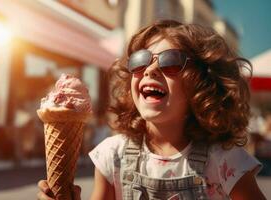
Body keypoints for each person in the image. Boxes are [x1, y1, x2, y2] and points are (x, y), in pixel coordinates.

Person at [37, 20, 266, 199]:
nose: (150, 70)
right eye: (140, 61)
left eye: (171, 61)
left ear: (202, 84)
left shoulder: (224, 161)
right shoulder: (112, 156)